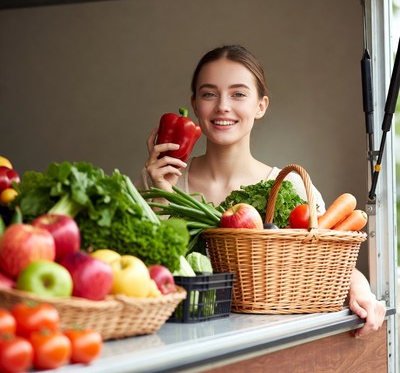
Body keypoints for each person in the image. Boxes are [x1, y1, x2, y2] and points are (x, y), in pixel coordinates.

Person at [137, 44, 386, 338]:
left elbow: (324, 261)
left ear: (261, 106)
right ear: (195, 104)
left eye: (238, 94)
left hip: (265, 344)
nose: (222, 106)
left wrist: (361, 289)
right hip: (181, 342)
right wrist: (162, 195)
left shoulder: (289, 185)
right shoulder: (161, 181)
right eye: (209, 94)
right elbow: (138, 273)